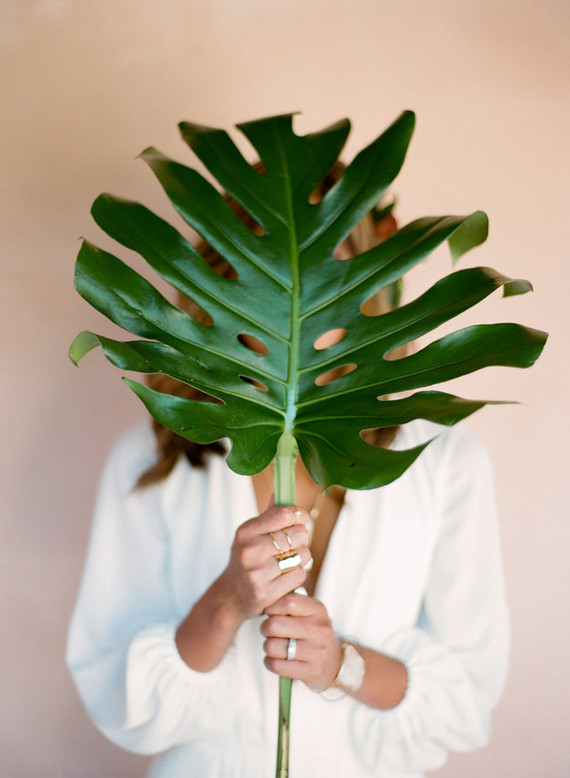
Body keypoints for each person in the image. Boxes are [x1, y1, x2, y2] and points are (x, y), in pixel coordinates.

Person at [66, 169, 509, 777]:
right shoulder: (153, 458)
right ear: (216, 296)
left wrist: (341, 664)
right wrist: (226, 601)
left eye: (327, 279)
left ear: (365, 291)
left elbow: (464, 699)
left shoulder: (444, 463)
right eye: (260, 286)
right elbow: (116, 689)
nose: (293, 312)